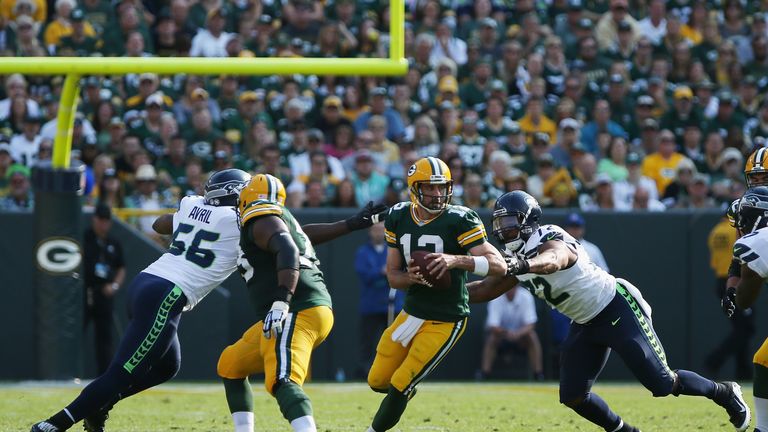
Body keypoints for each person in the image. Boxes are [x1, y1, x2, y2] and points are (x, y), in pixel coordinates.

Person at [467, 190, 751, 432]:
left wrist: (522, 265)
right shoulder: (516, 258)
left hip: (615, 306)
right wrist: (444, 296)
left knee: (662, 382)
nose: (503, 229)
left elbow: (556, 258)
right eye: (499, 223)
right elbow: (485, 290)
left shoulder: (547, 236)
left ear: (528, 221)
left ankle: (724, 392)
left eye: (509, 222)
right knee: (574, 396)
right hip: (584, 322)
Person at [30, 169, 253, 432]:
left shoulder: (191, 203)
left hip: (147, 282)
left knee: (168, 365)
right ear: (234, 195)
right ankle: (53, 425)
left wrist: (189, 224)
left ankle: (100, 405)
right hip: (166, 294)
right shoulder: (239, 225)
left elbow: (160, 224)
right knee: (121, 372)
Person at [216, 173, 388, 432]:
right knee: (231, 364)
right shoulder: (276, 220)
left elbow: (287, 249)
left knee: (282, 380)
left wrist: (282, 300)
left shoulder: (261, 219)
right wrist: (350, 224)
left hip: (295, 309)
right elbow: (303, 236)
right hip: (304, 310)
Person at [364, 156, 508, 432]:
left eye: (442, 187)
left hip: (446, 318)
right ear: (414, 188)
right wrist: (410, 277)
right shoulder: (398, 215)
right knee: (377, 380)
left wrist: (456, 260)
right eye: (429, 187)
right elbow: (393, 277)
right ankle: (403, 393)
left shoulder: (460, 218)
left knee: (401, 381)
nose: (437, 194)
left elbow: (499, 266)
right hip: (412, 313)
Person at [726, 188, 768, 432]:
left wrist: (738, 286)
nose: (740, 227)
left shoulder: (759, 241)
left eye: (743, 220)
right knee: (764, 360)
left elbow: (745, 300)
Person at [706, 201, 753, 380]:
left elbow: (714, 263)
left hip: (721, 281)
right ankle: (714, 360)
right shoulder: (736, 230)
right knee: (745, 328)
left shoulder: (715, 232)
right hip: (736, 280)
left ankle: (743, 371)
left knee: (741, 328)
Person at [355, 223, 405, 378]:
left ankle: (394, 372)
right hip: (371, 305)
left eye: (380, 230)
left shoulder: (393, 250)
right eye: (375, 230)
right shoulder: (363, 252)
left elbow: (400, 272)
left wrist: (387, 273)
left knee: (394, 341)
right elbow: (365, 275)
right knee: (368, 343)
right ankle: (365, 373)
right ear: (369, 232)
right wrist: (382, 272)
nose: (377, 233)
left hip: (392, 304)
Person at [82, 204, 125, 376]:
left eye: (106, 220)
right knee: (77, 331)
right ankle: (69, 371)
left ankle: (104, 376)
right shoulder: (84, 237)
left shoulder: (114, 242)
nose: (103, 224)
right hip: (84, 290)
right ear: (94, 219)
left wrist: (114, 286)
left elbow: (121, 267)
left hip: (104, 292)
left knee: (105, 337)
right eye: (100, 220)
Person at [478, 284, 543, 381]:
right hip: (501, 337)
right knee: (492, 338)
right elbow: (493, 326)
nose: (509, 288)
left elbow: (531, 325)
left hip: (521, 339)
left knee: (532, 336)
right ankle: (485, 374)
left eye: (511, 285)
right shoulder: (496, 297)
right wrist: (507, 333)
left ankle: (538, 374)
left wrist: (518, 334)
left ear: (516, 286)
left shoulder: (526, 296)